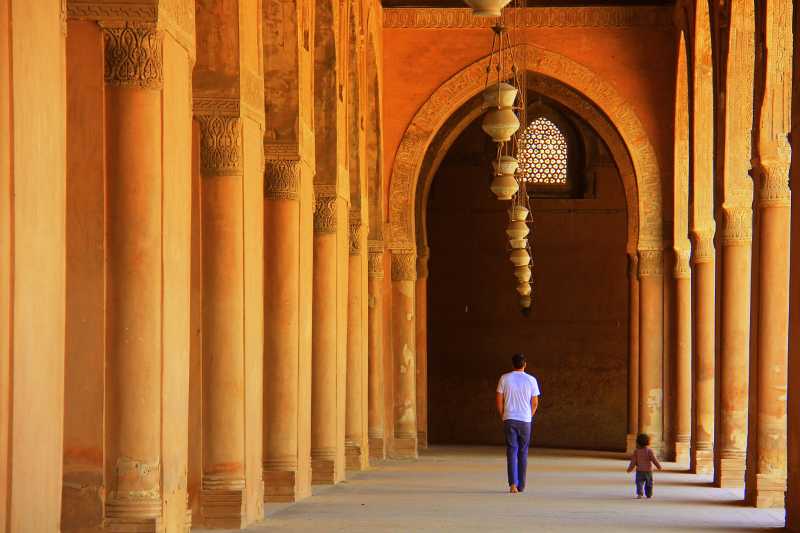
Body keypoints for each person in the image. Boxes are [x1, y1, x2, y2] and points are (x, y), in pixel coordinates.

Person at [496, 353, 540, 494]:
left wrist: (503, 415)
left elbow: (499, 400)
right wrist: (529, 416)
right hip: (525, 420)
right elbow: (534, 403)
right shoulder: (531, 380)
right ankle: (522, 485)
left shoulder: (504, 378)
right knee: (523, 452)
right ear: (524, 364)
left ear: (512, 364)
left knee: (511, 451)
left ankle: (513, 485)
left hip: (510, 419)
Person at [626, 433, 662, 499]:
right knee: (649, 483)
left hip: (639, 471)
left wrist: (629, 469)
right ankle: (649, 494)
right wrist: (659, 466)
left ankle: (640, 494)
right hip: (648, 471)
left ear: (638, 443)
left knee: (639, 483)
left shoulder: (636, 451)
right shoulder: (649, 451)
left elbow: (633, 462)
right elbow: (654, 460)